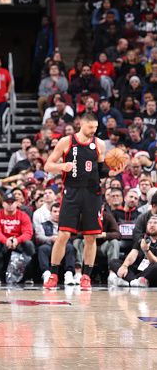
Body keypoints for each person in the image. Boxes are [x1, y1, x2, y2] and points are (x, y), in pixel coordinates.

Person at [43, 112, 125, 291]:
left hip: (92, 194)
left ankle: (86, 276)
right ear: (81, 124)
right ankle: (53, 274)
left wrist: (112, 173)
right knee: (63, 235)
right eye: (90, 127)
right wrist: (60, 167)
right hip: (71, 192)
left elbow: (101, 171)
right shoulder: (66, 141)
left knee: (91, 236)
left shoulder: (99, 144)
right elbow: (47, 165)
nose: (93, 131)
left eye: (96, 128)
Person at [0, 192, 35, 287]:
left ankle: (28, 277)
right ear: (3, 204)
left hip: (19, 242)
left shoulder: (23, 216)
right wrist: (6, 240)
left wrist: (17, 240)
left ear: (17, 203)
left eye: (12, 202)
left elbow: (28, 233)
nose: (10, 205)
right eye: (7, 202)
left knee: (29, 244)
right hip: (4, 242)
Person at [108, 215, 157, 287]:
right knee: (113, 262)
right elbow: (133, 253)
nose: (152, 225)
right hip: (138, 270)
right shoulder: (142, 239)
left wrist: (147, 251)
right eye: (149, 223)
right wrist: (124, 266)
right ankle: (136, 281)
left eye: (155, 223)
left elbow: (154, 262)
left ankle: (129, 281)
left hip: (151, 272)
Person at [38, 203, 77, 286]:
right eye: (54, 211)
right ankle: (46, 273)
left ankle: (69, 274)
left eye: (59, 211)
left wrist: (62, 239)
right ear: (50, 213)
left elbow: (74, 236)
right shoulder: (44, 224)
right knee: (42, 249)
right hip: (49, 245)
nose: (57, 214)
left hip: (65, 245)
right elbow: (39, 236)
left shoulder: (68, 224)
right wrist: (51, 238)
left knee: (70, 248)